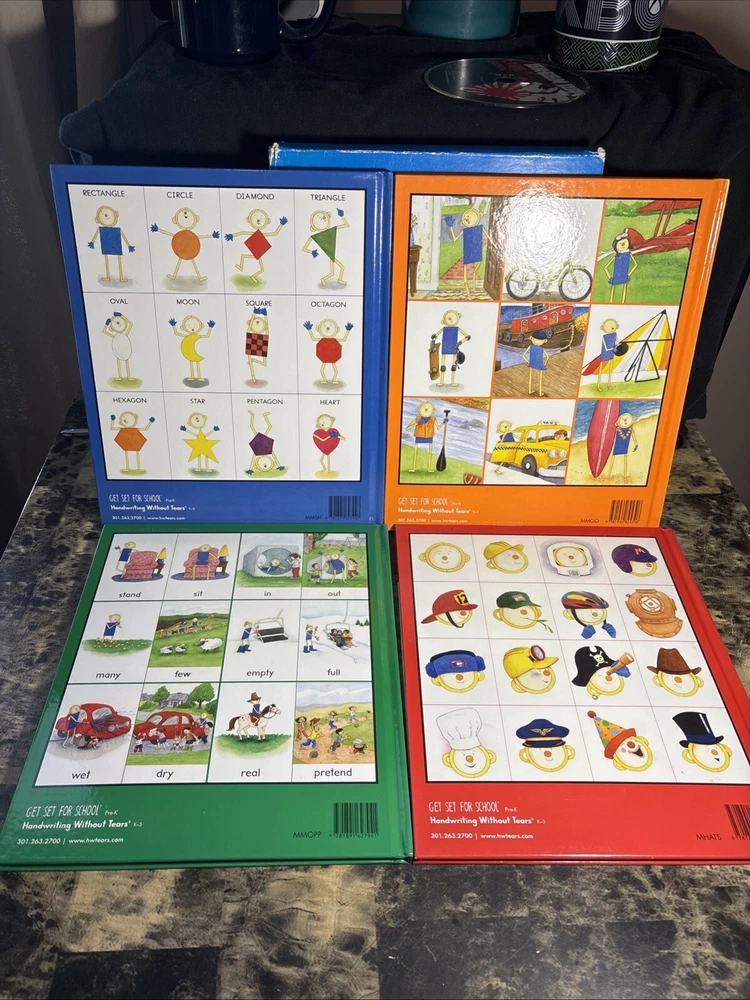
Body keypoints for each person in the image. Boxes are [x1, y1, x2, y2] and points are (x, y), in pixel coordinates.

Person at [604, 232, 638, 303]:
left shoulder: (628, 254)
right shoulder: (617, 256)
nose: (623, 244)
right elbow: (606, 267)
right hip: (616, 277)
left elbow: (635, 264)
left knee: (623, 292)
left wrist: (629, 274)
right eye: (620, 243)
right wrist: (610, 277)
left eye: (625, 242)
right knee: (613, 292)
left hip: (624, 277)